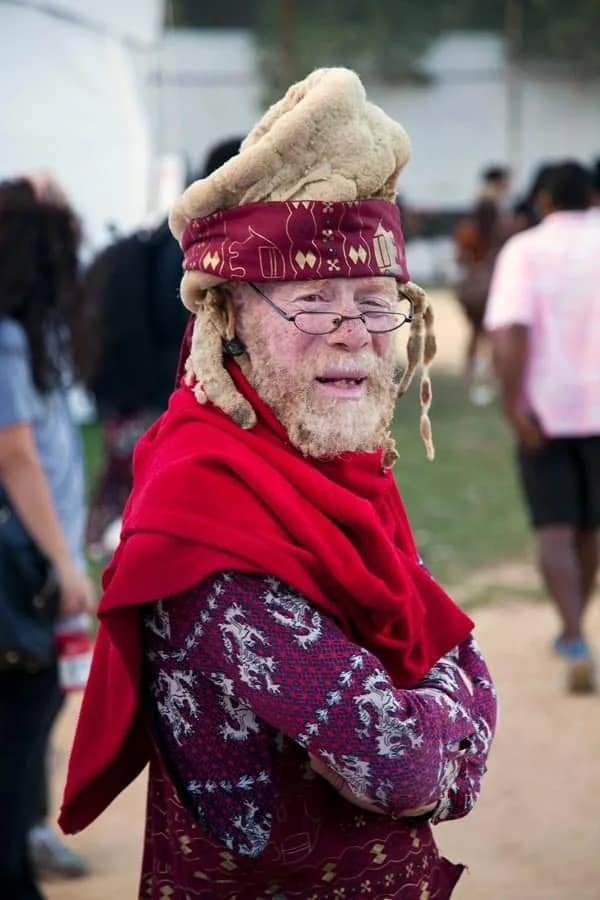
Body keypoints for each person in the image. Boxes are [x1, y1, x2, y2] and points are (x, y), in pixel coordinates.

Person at [60, 68, 497, 899]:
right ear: (229, 321)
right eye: (313, 300)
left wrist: (441, 729)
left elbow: (462, 658)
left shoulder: (341, 471)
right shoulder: (203, 515)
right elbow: (402, 766)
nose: (353, 333)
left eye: (376, 302)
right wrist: (454, 741)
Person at [0, 175, 96, 899]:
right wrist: (65, 561)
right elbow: (14, 452)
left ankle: (24, 833)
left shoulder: (28, 329)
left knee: (38, 704)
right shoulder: (5, 334)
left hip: (39, 553)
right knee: (28, 705)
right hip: (27, 562)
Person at [85, 137, 243, 560]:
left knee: (135, 489)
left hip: (135, 389)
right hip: (157, 392)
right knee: (151, 495)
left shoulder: (177, 234)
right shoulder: (194, 247)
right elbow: (181, 325)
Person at [485, 160, 600, 693]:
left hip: (546, 415)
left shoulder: (525, 250)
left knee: (554, 528)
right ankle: (575, 626)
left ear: (546, 201)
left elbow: (510, 332)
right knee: (591, 527)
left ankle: (574, 634)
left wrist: (513, 405)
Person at [453, 165, 512, 404]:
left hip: (473, 290)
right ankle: (491, 378)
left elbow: (460, 258)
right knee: (492, 335)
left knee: (476, 334)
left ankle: (470, 377)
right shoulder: (504, 225)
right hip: (494, 286)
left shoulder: (468, 229)